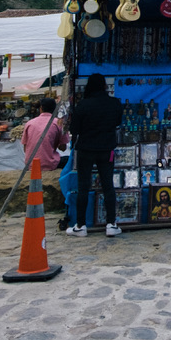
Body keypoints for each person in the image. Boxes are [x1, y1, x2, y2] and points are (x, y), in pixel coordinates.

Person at [67, 73, 123, 237]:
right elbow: (117, 122)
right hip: (106, 150)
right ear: (105, 86)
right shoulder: (114, 103)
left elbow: (74, 130)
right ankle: (111, 224)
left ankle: (80, 225)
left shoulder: (83, 105)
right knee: (108, 186)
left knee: (83, 187)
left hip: (86, 150)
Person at [20, 97, 68, 171]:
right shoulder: (59, 123)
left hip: (30, 164)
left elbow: (25, 148)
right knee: (70, 159)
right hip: (49, 164)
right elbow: (63, 148)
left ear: (41, 108)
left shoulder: (29, 123)